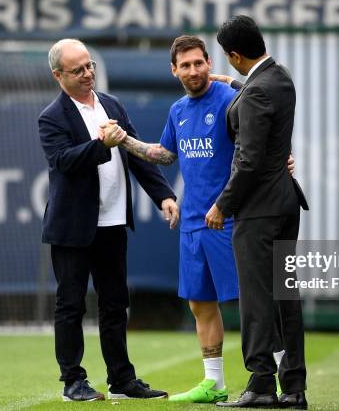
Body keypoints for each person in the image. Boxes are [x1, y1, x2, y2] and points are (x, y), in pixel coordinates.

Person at [101, 35, 294, 404]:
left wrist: (283, 159)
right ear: (174, 70)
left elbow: (266, 131)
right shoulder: (177, 111)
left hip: (230, 219)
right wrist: (125, 140)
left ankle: (285, 378)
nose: (193, 70)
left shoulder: (231, 99)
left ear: (209, 62)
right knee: (200, 304)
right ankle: (214, 383)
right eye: (185, 65)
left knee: (254, 303)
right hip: (192, 223)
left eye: (199, 63)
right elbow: (164, 154)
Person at [38, 38, 178, 402]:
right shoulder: (52, 117)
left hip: (113, 223)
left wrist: (163, 195)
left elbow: (138, 157)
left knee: (115, 304)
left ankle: (122, 380)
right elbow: (63, 161)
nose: (88, 74)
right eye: (78, 70)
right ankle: (73, 382)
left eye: (90, 66)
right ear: (58, 75)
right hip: (72, 228)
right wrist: (102, 145)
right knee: (71, 305)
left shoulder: (112, 104)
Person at [205, 16, 309, 409]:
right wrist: (233, 84)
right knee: (285, 296)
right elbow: (257, 94)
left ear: (234, 55)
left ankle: (261, 383)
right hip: (285, 204)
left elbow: (246, 162)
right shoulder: (280, 78)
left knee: (256, 298)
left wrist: (221, 205)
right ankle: (294, 387)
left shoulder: (255, 94)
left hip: (258, 211)